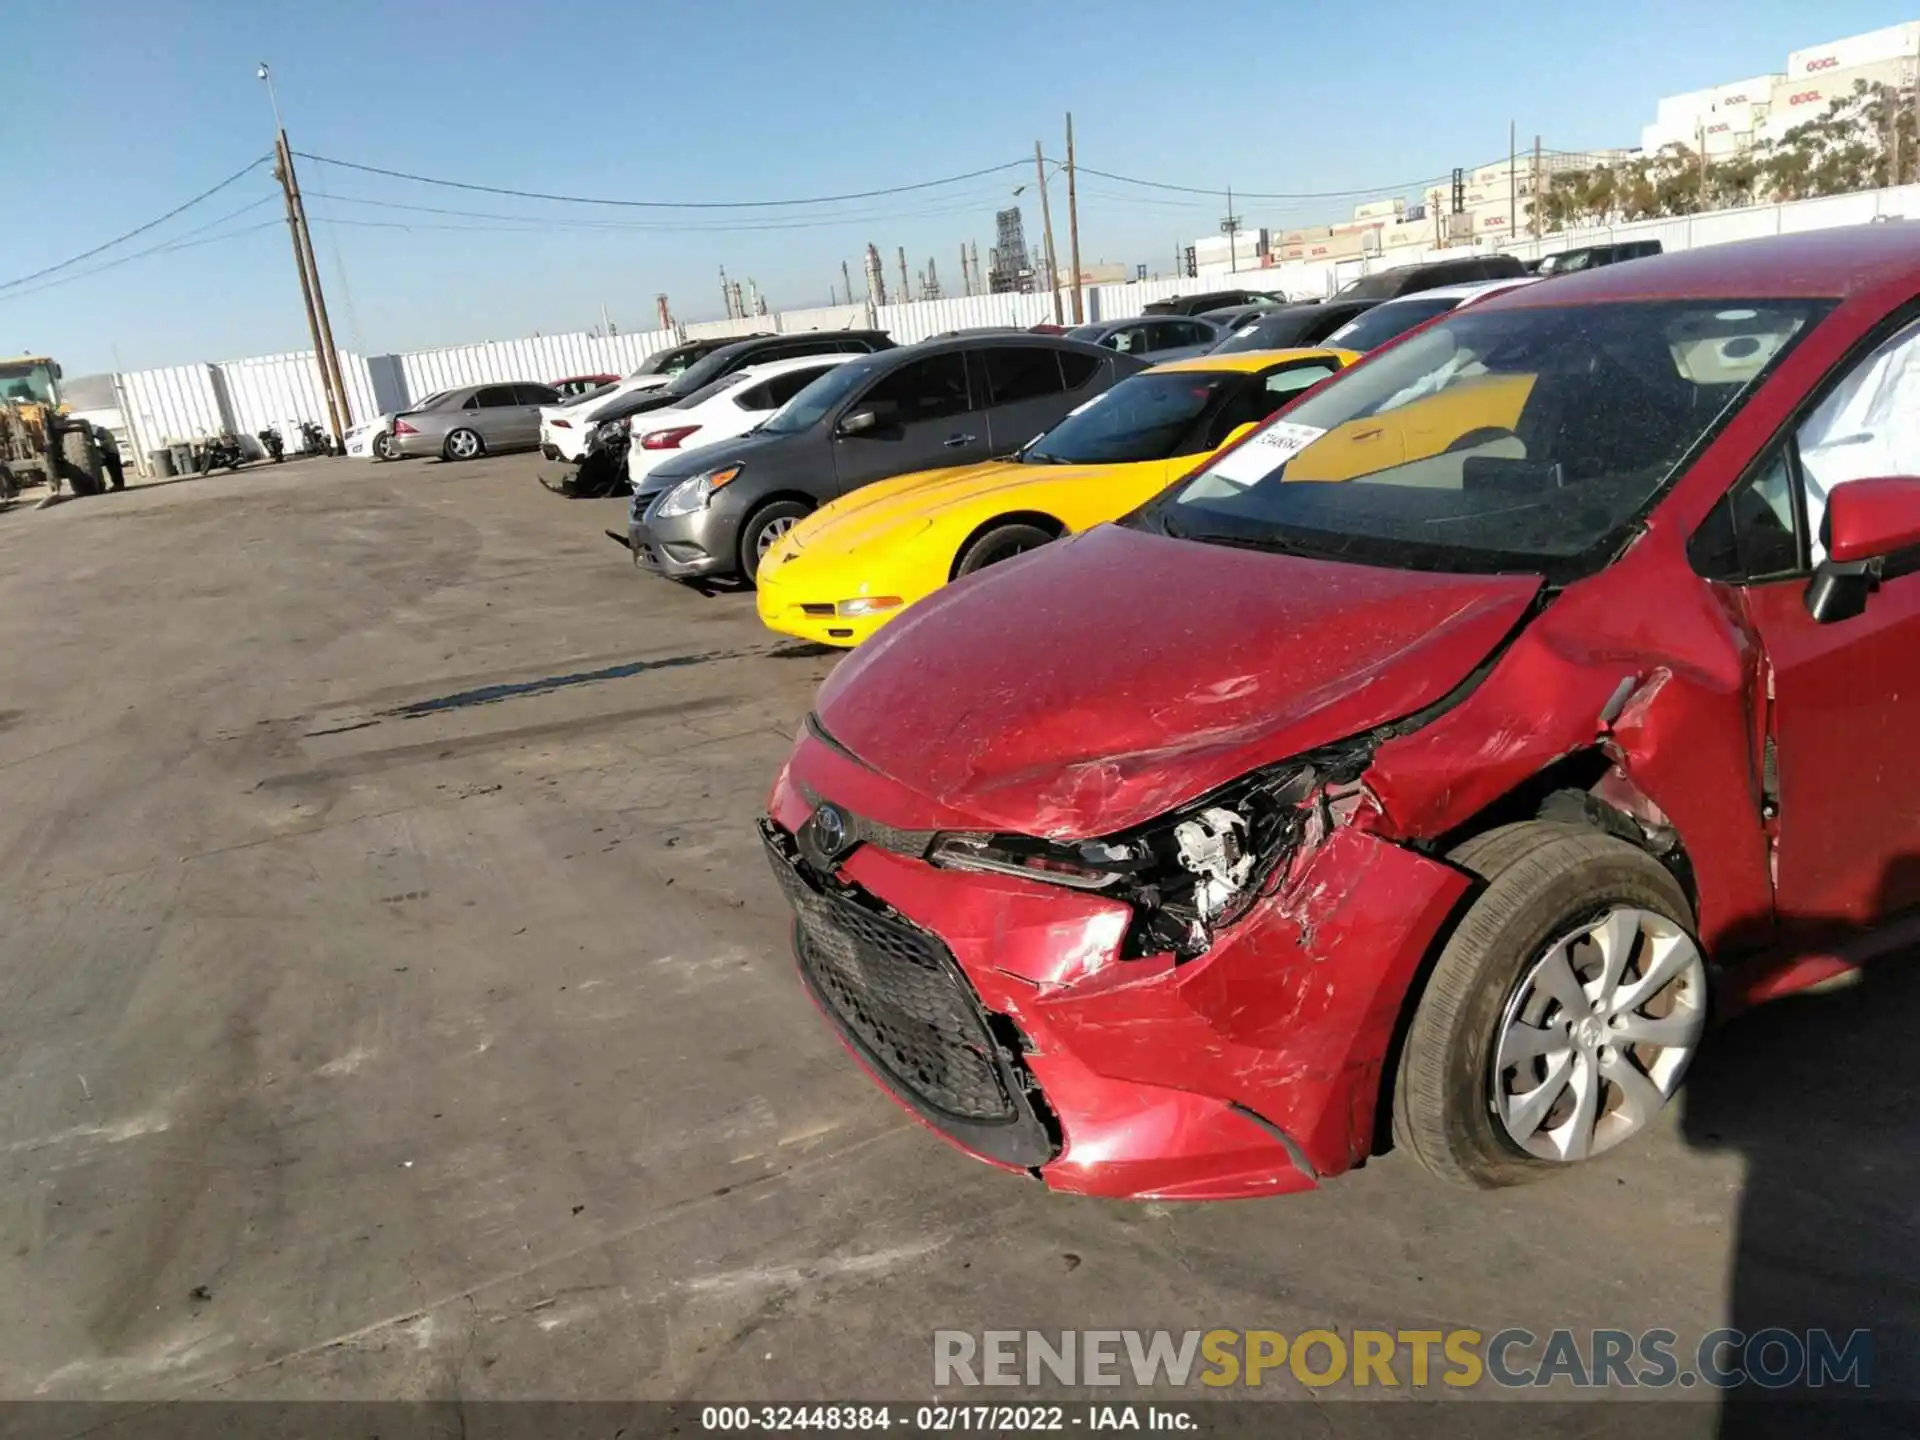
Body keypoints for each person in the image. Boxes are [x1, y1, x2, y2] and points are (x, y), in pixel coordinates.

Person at [91, 424, 125, 491]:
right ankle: (119, 484)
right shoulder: (98, 430)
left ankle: (119, 485)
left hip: (109, 447)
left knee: (113, 463)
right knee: (113, 463)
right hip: (109, 444)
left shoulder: (95, 429)